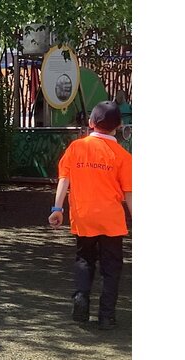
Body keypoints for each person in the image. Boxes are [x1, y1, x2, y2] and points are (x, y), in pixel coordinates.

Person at [49, 100, 133, 329]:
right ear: (119, 126)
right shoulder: (123, 156)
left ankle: (81, 298)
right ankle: (106, 316)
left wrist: (57, 209)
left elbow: (64, 179)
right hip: (111, 220)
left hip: (83, 215)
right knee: (111, 267)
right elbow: (129, 193)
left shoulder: (76, 148)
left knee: (84, 259)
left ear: (90, 122)